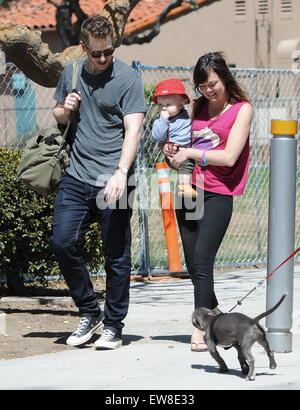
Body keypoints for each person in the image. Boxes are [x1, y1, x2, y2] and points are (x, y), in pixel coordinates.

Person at [51, 14, 146, 350]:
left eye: (109, 51)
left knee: (116, 255)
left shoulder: (127, 79)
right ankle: (90, 312)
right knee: (62, 242)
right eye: (97, 53)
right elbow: (58, 115)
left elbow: (133, 129)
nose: (104, 58)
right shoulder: (71, 72)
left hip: (114, 177)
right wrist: (66, 107)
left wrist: (121, 172)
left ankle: (114, 326)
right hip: (77, 175)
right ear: (84, 48)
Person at [164, 52, 253, 352]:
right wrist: (174, 151)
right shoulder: (198, 108)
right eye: (202, 85)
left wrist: (191, 154)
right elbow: (184, 151)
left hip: (219, 191)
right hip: (189, 189)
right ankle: (217, 316)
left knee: (203, 259)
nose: (208, 90)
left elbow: (229, 157)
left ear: (225, 78)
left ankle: (199, 329)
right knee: (194, 265)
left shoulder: (242, 109)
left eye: (213, 83)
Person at [151, 78, 197, 198]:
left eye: (168, 104)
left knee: (189, 162)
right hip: (173, 152)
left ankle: (185, 185)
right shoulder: (160, 121)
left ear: (181, 104)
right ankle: (184, 187)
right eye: (160, 104)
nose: (164, 108)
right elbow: (157, 136)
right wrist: (163, 120)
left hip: (187, 149)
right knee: (186, 164)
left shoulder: (185, 114)